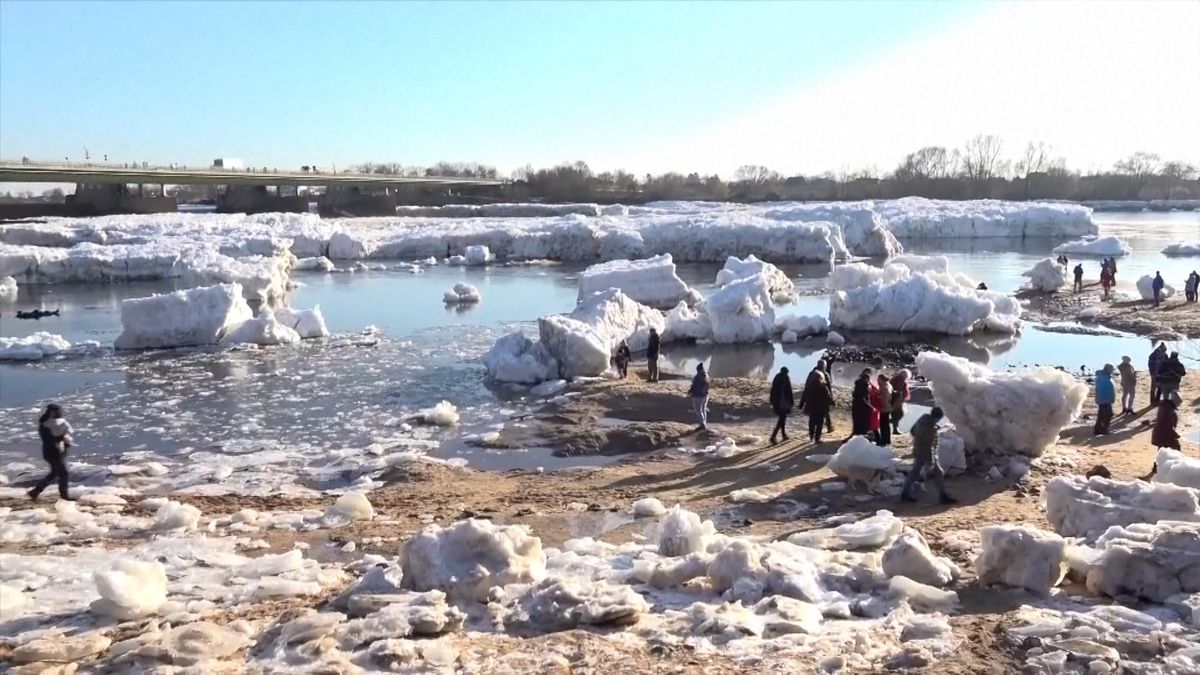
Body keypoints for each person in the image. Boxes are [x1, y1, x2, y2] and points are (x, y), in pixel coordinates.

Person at [900, 407, 955, 505]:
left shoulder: (923, 419)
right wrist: (931, 461)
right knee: (938, 473)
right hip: (924, 453)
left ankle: (905, 494)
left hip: (917, 449)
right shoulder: (930, 428)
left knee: (914, 472)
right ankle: (943, 496)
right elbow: (930, 446)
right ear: (938, 418)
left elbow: (913, 431)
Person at [28, 404, 75, 502]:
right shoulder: (46, 425)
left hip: (51, 451)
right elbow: (50, 439)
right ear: (51, 412)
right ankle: (64, 495)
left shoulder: (49, 423)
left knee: (54, 473)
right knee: (64, 473)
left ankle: (36, 491)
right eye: (58, 411)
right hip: (53, 452)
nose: (60, 413)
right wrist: (62, 439)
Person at [1145, 393, 1182, 478]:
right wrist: (1175, 435)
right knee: (1175, 451)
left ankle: (1155, 470)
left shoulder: (1164, 407)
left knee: (1161, 452)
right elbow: (1168, 425)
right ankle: (1176, 471)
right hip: (1166, 435)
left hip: (1161, 434)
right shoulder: (1169, 411)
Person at [800, 363, 833, 443]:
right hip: (821, 407)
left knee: (812, 421)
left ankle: (811, 436)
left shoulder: (810, 385)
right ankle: (817, 439)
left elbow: (805, 394)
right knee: (819, 423)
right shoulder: (823, 386)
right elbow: (827, 396)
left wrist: (801, 404)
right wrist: (831, 402)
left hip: (811, 407)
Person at [769, 367, 794, 444]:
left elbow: (772, 389)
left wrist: (772, 400)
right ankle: (773, 436)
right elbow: (789, 390)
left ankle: (783, 434)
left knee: (782, 418)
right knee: (782, 419)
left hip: (776, 401)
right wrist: (791, 401)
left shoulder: (777, 377)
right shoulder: (786, 377)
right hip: (783, 402)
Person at [851, 368, 875, 438]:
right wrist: (870, 407)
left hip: (856, 405)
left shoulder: (858, 383)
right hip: (862, 407)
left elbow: (856, 394)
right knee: (864, 423)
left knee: (857, 423)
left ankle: (855, 435)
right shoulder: (865, 384)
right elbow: (863, 398)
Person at [1093, 364, 1116, 435]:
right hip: (1104, 400)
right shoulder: (1102, 377)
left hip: (1106, 399)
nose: (1112, 371)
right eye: (1111, 369)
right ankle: (1103, 429)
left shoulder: (1105, 376)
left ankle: (1098, 429)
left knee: (1102, 415)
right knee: (1107, 414)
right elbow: (1101, 389)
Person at [689, 363, 709, 431]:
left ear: (698, 370)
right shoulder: (706, 376)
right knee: (703, 409)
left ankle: (702, 424)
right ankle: (704, 423)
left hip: (698, 396)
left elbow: (695, 386)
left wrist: (691, 391)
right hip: (705, 396)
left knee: (698, 410)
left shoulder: (698, 377)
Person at [889, 369, 910, 434]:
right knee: (898, 414)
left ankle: (895, 429)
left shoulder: (897, 378)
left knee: (897, 414)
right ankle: (892, 425)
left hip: (897, 399)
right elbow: (898, 389)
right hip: (897, 400)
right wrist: (901, 395)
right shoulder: (899, 379)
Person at [876, 374, 894, 447]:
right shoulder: (888, 385)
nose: (877, 380)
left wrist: (877, 396)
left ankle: (884, 440)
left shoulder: (884, 386)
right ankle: (887, 439)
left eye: (878, 379)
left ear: (881, 379)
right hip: (888, 407)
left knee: (883, 424)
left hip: (884, 408)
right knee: (886, 425)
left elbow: (884, 398)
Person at [820, 359, 835, 434]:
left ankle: (814, 429)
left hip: (815, 397)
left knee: (817, 413)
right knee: (826, 412)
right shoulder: (825, 375)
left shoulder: (812, 373)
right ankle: (829, 427)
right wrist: (831, 399)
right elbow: (829, 388)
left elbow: (807, 385)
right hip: (824, 397)